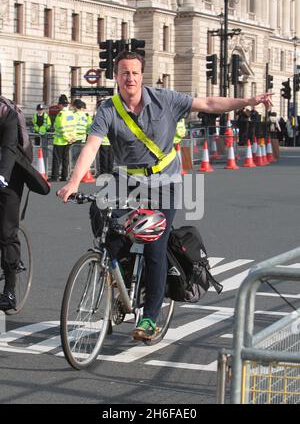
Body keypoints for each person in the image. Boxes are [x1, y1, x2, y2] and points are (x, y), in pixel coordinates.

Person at [57, 50, 272, 340]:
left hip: (164, 183)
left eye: (134, 72)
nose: (129, 77)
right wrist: (73, 182)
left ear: (141, 75)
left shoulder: (165, 99)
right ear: (116, 76)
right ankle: (119, 277)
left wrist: (248, 101)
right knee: (104, 222)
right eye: (124, 72)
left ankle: (149, 317)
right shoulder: (108, 108)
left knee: (154, 247)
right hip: (126, 180)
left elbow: (208, 103)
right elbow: (92, 146)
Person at [0, 103, 26, 310]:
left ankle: (9, 291)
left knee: (6, 233)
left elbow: (9, 147)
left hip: (11, 173)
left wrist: (2, 177)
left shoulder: (5, 112)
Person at [50, 94, 77, 182]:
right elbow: (74, 126)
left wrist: (66, 137)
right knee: (65, 159)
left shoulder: (60, 115)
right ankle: (64, 176)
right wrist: (72, 137)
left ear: (61, 104)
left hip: (60, 141)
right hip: (69, 141)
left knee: (57, 160)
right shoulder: (71, 114)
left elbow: (60, 128)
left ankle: (55, 176)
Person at [72, 99, 89, 166]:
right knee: (81, 155)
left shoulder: (74, 115)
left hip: (75, 138)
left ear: (75, 107)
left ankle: (74, 169)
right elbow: (87, 126)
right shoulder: (85, 116)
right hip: (83, 138)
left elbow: (72, 126)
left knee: (74, 156)